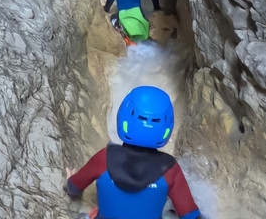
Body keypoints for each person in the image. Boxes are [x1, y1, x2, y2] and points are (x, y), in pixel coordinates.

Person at [65, 86, 201, 219]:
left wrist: (71, 180)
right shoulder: (170, 169)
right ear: (166, 129)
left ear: (123, 119)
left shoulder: (103, 158)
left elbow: (73, 189)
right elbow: (190, 214)